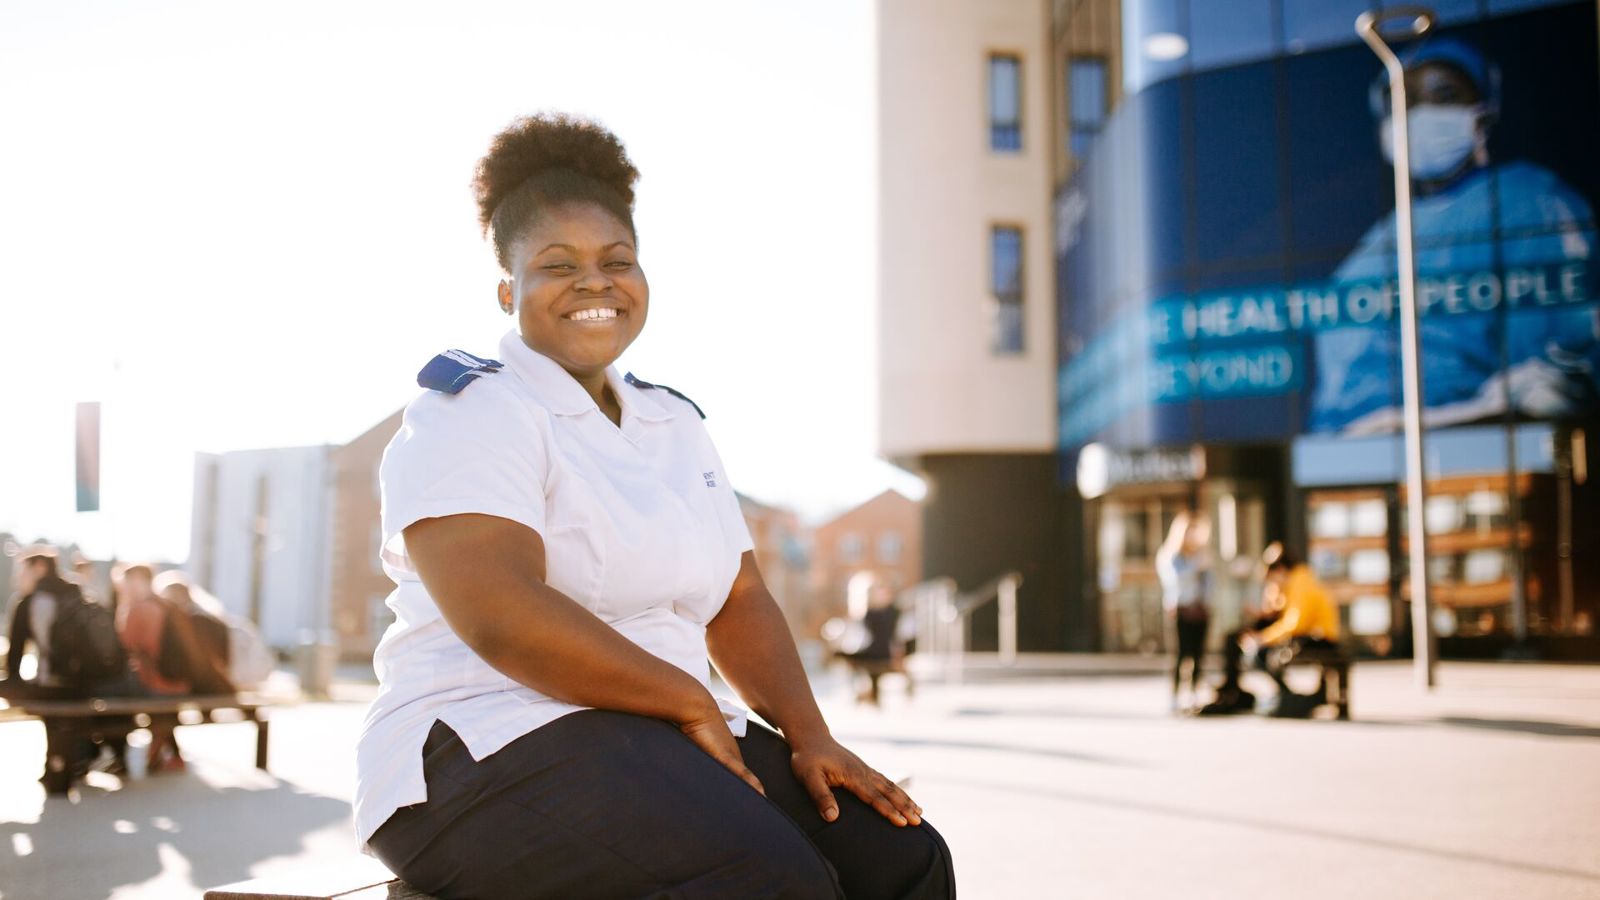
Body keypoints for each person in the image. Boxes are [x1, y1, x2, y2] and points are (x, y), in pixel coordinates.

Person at [355, 114, 953, 899]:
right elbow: (501, 613)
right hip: (478, 743)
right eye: (556, 264)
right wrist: (687, 699)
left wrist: (812, 737)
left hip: (651, 735)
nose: (594, 282)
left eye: (617, 261)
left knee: (899, 856)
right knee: (774, 879)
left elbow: (737, 598)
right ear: (509, 290)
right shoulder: (471, 411)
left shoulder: (674, 422)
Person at [1312, 37, 1599, 434]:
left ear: (1481, 114)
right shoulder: (1375, 248)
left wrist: (1429, 424)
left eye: (1443, 95)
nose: (1418, 113)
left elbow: (1559, 383)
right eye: (1403, 101)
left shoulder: (1529, 204)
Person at [1237, 547, 1341, 713]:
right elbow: (1278, 611)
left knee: (1262, 653)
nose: (1272, 584)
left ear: (1281, 571)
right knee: (1259, 651)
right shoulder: (1294, 582)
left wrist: (1263, 638)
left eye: (1272, 579)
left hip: (1320, 638)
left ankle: (1291, 696)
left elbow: (1295, 623)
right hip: (1309, 635)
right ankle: (1288, 695)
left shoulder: (1301, 582)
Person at [114, 564, 189, 772]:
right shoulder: (168, 606)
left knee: (112, 694)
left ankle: (119, 756)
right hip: (179, 682)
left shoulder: (138, 609)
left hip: (155, 683)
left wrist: (123, 607)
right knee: (162, 712)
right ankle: (164, 755)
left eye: (125, 583)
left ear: (136, 581)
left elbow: (123, 646)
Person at [1156, 512, 1210, 714]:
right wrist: (1196, 567)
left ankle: (1195, 693)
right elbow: (1175, 580)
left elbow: (1208, 582)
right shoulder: (1170, 555)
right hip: (1179, 609)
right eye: (1189, 532)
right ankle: (1175, 695)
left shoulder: (1202, 554)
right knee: (1180, 654)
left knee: (1198, 654)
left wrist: (1205, 600)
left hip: (1199, 609)